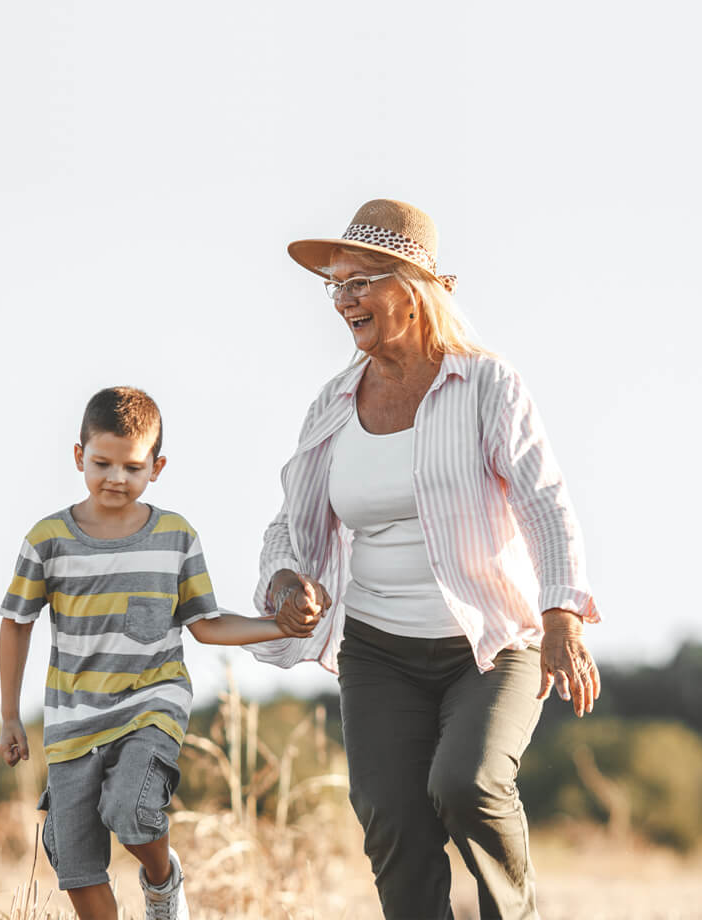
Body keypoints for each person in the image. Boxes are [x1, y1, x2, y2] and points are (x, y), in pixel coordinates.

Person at [246, 199, 603, 919]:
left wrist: (562, 610)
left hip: (493, 645)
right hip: (378, 651)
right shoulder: (334, 405)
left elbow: (545, 501)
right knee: (391, 817)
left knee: (467, 783)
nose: (343, 298)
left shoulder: (487, 386)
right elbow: (290, 522)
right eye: (336, 285)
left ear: (413, 288)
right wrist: (285, 582)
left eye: (360, 281)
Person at [0, 386, 287, 920]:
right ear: (78, 456)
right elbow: (16, 623)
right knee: (75, 863)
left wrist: (277, 627)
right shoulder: (47, 540)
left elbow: (207, 624)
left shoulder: (175, 537)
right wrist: (10, 714)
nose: (116, 478)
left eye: (132, 467)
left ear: (157, 466)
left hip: (149, 707)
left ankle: (162, 881)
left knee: (133, 808)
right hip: (71, 723)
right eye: (102, 463)